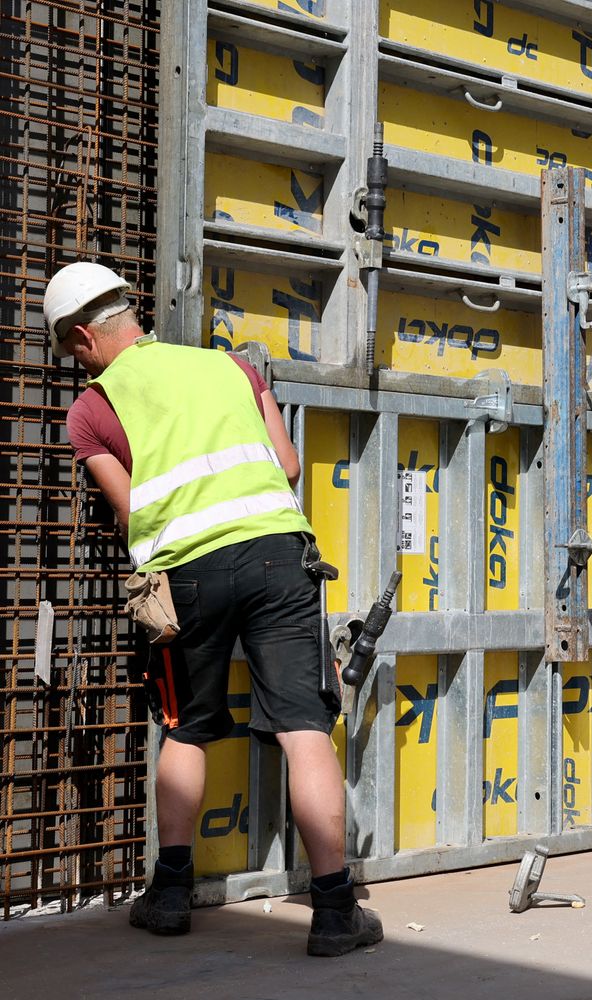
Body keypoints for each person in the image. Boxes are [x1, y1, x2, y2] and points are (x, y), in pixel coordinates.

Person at [46, 262, 384, 955]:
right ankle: (333, 911)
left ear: (82, 338)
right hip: (277, 559)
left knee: (186, 728)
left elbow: (130, 510)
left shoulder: (91, 410)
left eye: (73, 354)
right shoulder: (230, 366)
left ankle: (170, 895)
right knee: (303, 728)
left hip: (185, 578)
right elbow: (287, 465)